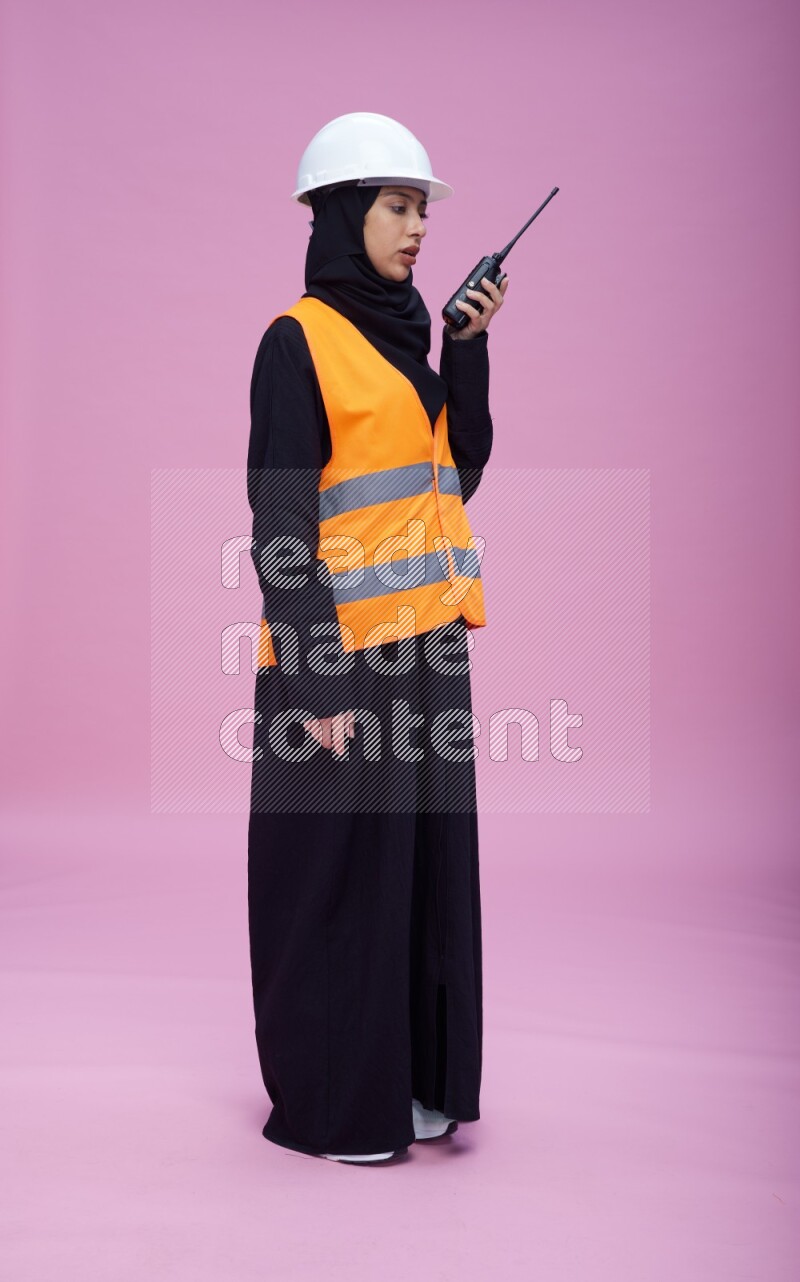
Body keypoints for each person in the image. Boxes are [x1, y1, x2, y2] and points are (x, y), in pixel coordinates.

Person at [246, 113, 508, 1164]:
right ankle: (335, 1100)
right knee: (338, 884)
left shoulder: (407, 336)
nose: (415, 229)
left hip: (430, 652)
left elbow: (459, 475)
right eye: (396, 207)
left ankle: (410, 1079)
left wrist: (468, 350)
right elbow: (282, 528)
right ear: (341, 211)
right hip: (339, 666)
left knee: (420, 877)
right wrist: (317, 690)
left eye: (420, 210)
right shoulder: (297, 339)